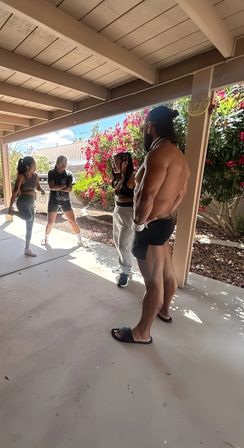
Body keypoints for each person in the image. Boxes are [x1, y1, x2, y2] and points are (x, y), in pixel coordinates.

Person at [111, 106, 190, 344]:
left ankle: (141, 332)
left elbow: (146, 195)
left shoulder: (157, 154)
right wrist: (164, 214)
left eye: (146, 126)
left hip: (149, 226)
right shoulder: (180, 157)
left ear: (150, 126)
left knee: (153, 282)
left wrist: (138, 224)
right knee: (166, 272)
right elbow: (180, 195)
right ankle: (164, 311)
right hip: (165, 222)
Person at [1, 156, 45, 257]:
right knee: (29, 217)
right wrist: (11, 205)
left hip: (31, 203)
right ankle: (11, 211)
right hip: (22, 202)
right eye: (34, 164)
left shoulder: (36, 176)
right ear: (28, 166)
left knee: (29, 227)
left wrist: (41, 190)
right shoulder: (21, 177)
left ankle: (27, 249)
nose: (36, 166)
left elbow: (37, 187)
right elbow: (15, 192)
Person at [42, 155, 82, 246]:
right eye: (62, 162)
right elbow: (52, 187)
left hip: (65, 201)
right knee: (50, 222)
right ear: (57, 162)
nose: (64, 164)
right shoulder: (51, 173)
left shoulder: (69, 174)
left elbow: (69, 189)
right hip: (53, 201)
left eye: (65, 162)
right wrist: (64, 186)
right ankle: (46, 239)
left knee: (72, 221)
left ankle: (80, 240)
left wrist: (58, 187)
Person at [111, 152, 136, 287]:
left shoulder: (133, 176)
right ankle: (123, 267)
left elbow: (138, 198)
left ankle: (126, 272)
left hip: (128, 214)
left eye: (116, 161)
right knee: (117, 241)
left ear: (125, 161)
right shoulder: (119, 176)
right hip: (118, 211)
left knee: (123, 244)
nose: (114, 164)